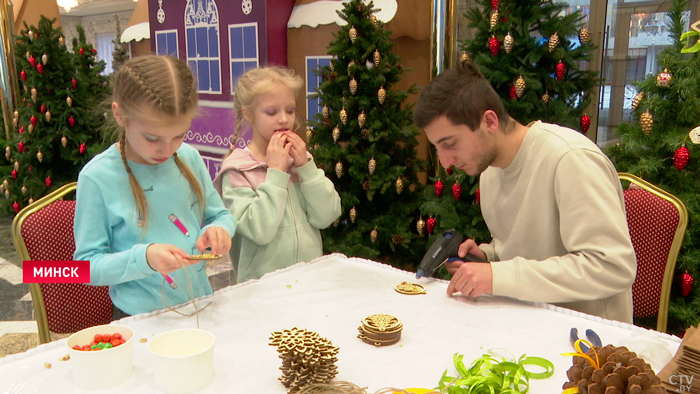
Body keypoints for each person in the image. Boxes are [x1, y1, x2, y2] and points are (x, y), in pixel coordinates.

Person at [413, 61, 636, 323]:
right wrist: (487, 257)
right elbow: (523, 250)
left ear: (489, 121)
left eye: (450, 144)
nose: (445, 162)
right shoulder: (490, 172)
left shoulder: (569, 159)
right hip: (529, 321)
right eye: (437, 148)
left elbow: (612, 267)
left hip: (589, 339)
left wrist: (498, 277)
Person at [74, 55, 236, 318]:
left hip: (200, 307)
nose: (167, 149)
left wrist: (219, 230)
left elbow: (220, 215)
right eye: (152, 138)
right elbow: (85, 267)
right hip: (140, 320)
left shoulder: (189, 157)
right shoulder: (97, 177)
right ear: (119, 115)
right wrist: (144, 258)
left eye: (179, 135)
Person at [213, 66, 341, 283]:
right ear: (248, 114)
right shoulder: (238, 170)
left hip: (309, 281)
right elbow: (259, 230)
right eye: (272, 112)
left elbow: (327, 215)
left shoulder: (301, 162)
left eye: (290, 110)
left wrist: (307, 169)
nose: (283, 119)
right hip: (262, 289)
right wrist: (276, 173)